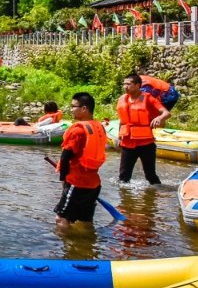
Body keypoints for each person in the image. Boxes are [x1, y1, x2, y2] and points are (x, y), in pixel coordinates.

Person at [55, 92, 107, 235]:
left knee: (61, 219)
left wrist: (63, 180)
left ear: (84, 109)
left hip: (76, 182)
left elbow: (65, 157)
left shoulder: (78, 131)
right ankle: (87, 247)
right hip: (94, 183)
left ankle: (63, 249)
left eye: (73, 106)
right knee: (85, 220)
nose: (71, 109)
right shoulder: (99, 127)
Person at [116, 72, 168, 185]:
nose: (125, 86)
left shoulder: (148, 98)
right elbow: (122, 120)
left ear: (138, 85)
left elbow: (166, 113)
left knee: (150, 176)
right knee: (123, 177)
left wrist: (159, 118)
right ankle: (125, 201)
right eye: (124, 84)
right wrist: (119, 137)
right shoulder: (122, 99)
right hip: (127, 143)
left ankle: (157, 196)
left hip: (146, 144)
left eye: (129, 84)